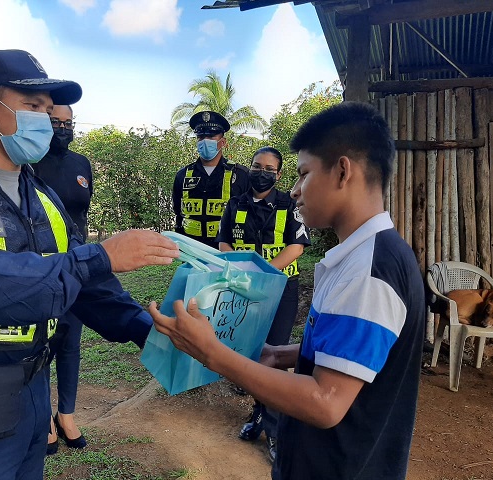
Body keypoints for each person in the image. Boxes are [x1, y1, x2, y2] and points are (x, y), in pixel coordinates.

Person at [0, 49, 179, 480]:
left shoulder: (40, 195)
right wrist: (100, 255)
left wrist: (152, 330)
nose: (46, 119)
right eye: (33, 106)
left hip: (30, 393)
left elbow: (91, 288)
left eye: (48, 108)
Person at [150, 102, 426, 480]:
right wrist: (280, 354)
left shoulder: (368, 273)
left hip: (339, 468)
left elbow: (325, 403)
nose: (295, 190)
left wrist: (212, 353)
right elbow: (352, 352)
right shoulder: (364, 256)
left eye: (303, 174)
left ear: (343, 171)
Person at [215, 146, 309, 463]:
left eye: (270, 168)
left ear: (278, 174)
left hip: (281, 290)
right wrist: (243, 271)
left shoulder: (289, 204)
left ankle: (276, 433)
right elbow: (223, 242)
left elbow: (297, 246)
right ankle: (259, 413)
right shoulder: (236, 204)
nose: (262, 171)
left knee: (275, 354)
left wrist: (264, 273)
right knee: (254, 353)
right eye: (257, 166)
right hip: (246, 290)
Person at [31, 104, 92, 454]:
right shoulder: (26, 163)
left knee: (70, 343)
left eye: (68, 123)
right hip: (37, 268)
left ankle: (66, 415)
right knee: (40, 344)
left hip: (77, 266)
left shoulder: (81, 164)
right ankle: (42, 419)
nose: (62, 128)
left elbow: (80, 212)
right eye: (55, 122)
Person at [172, 111, 250, 248]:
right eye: (200, 137)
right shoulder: (183, 175)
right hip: (193, 253)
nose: (205, 141)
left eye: (211, 136)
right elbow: (178, 213)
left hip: (229, 253)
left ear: (223, 142)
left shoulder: (241, 175)